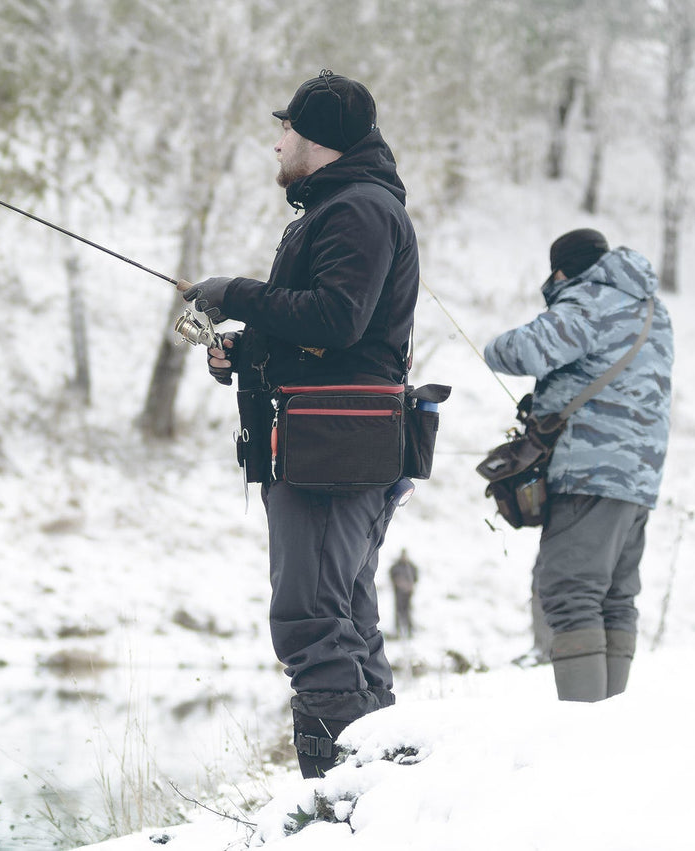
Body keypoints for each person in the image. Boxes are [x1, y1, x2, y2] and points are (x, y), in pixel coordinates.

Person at [177, 70, 419, 777]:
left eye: (284, 128)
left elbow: (338, 318)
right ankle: (379, 792)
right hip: (332, 449)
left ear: (315, 140)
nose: (276, 140)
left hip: (330, 456)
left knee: (313, 623)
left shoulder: (357, 210)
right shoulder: (345, 207)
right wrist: (245, 350)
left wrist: (235, 293)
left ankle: (337, 797)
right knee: (346, 621)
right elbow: (337, 331)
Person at [483, 229, 674, 702]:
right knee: (614, 597)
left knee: (569, 592)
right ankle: (607, 724)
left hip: (589, 472)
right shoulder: (652, 308)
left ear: (563, 270)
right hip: (639, 478)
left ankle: (584, 731)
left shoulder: (590, 298)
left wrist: (493, 346)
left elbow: (521, 350)